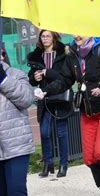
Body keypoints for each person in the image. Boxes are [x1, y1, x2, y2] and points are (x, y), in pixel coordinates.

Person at [44, 36, 100, 196]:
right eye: (75, 31)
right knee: (90, 157)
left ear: (90, 33)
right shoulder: (72, 54)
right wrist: (47, 90)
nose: (77, 35)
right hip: (88, 110)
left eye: (81, 32)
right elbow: (65, 80)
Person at [0, 36, 35, 196]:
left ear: (1, 55)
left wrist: (3, 80)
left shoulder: (16, 75)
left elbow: (26, 99)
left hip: (16, 147)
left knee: (16, 193)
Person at [27, 30, 69, 177]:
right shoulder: (36, 56)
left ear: (54, 37)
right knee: (44, 133)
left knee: (61, 132)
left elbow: (63, 77)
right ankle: (48, 163)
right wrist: (35, 77)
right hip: (44, 98)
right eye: (43, 36)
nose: (45, 39)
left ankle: (63, 164)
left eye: (48, 36)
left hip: (60, 97)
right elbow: (31, 79)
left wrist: (46, 72)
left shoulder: (63, 53)